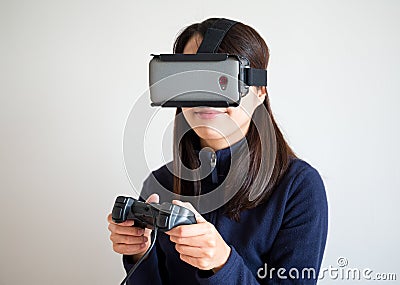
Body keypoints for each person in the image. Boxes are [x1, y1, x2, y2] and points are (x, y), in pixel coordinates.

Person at [107, 18, 328, 284]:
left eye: (222, 79)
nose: (204, 96)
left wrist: (222, 263)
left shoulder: (298, 187)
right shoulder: (160, 183)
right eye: (192, 79)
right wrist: (139, 255)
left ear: (260, 90)